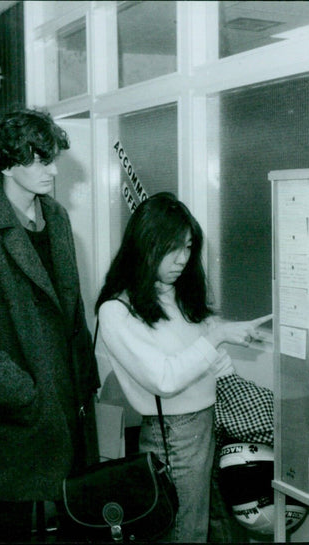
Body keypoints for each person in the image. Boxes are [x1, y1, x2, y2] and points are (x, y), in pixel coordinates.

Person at [0, 108, 99, 543]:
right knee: (11, 527)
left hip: (70, 401)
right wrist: (24, 394)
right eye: (40, 159)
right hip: (19, 410)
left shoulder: (57, 217)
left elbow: (70, 311)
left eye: (53, 158)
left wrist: (85, 379)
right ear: (8, 164)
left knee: (78, 520)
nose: (53, 169)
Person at [94, 192, 263, 543]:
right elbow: (164, 378)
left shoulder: (179, 292)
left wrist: (227, 342)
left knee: (220, 525)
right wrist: (216, 336)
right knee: (184, 530)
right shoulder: (117, 310)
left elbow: (207, 358)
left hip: (212, 419)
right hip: (173, 433)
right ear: (145, 244)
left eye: (188, 247)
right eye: (173, 248)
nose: (183, 259)